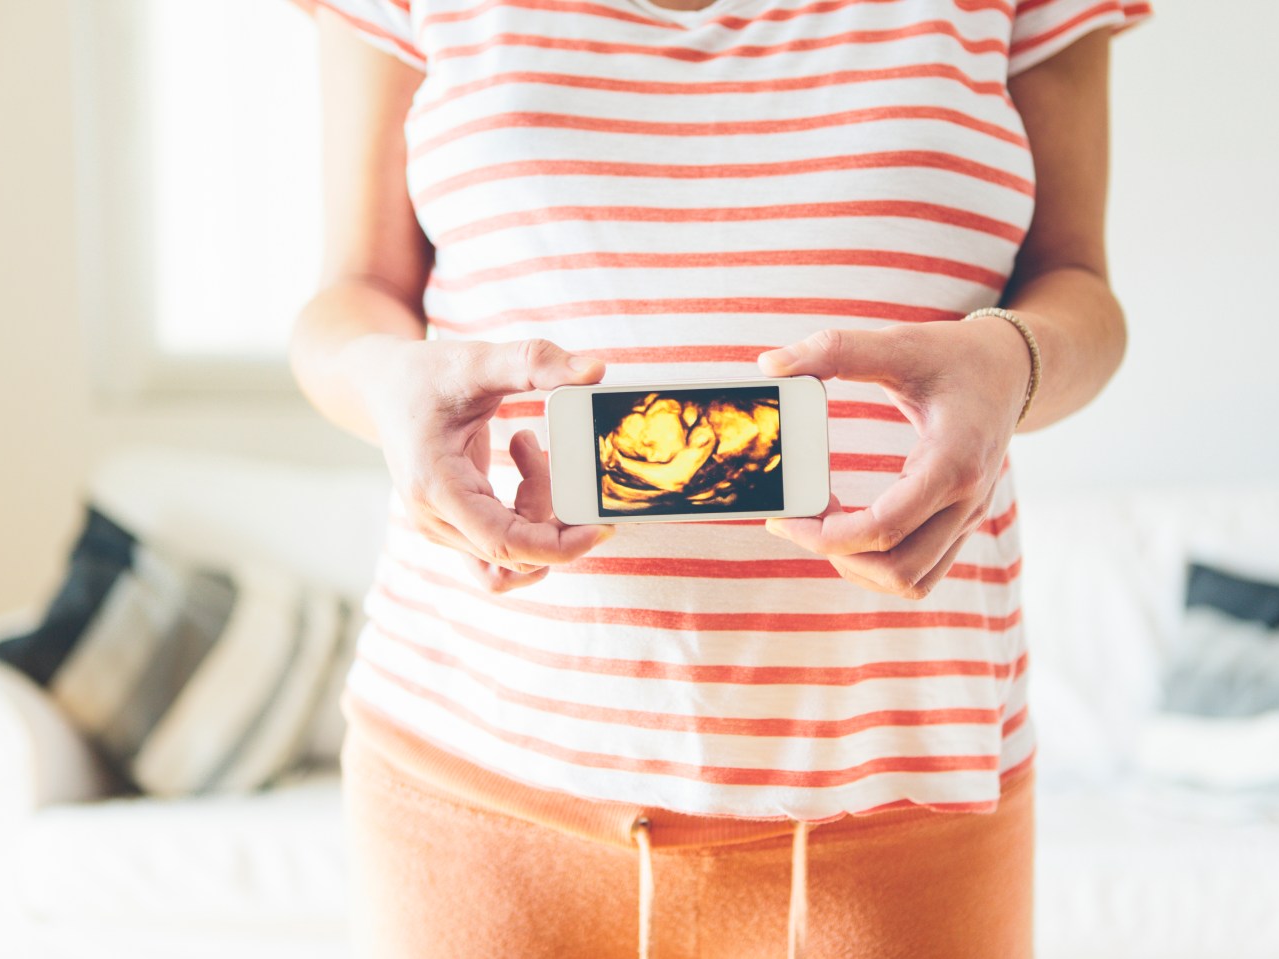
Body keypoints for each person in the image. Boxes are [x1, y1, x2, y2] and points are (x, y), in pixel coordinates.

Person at [285, 0, 1151, 956]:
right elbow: (352, 296)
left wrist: (1011, 362)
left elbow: (1080, 286)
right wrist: (387, 380)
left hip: (899, 784)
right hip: (473, 773)